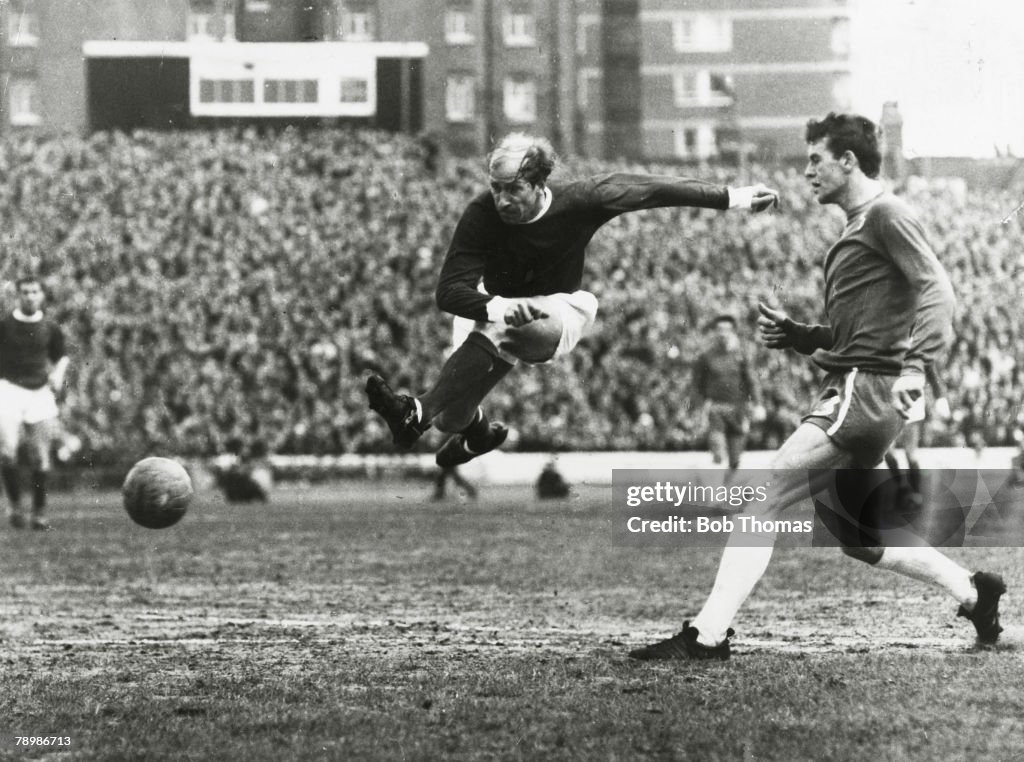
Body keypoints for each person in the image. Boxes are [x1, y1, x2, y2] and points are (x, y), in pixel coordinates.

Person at [630, 113, 1005, 661]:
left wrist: (917, 367)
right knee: (860, 539)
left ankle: (707, 635)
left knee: (760, 498)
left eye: (815, 159)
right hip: (864, 386)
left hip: (863, 392)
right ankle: (975, 593)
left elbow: (938, 293)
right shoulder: (863, 225)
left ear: (847, 161)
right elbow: (862, 331)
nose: (806, 172)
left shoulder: (886, 214)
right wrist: (802, 335)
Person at [365, 132, 779, 467]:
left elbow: (654, 189)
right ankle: (475, 435)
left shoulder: (582, 198)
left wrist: (734, 197)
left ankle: (412, 412)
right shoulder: (482, 213)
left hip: (557, 306)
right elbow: (448, 291)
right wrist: (499, 306)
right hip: (496, 309)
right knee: (449, 417)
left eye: (514, 189)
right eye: (496, 188)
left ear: (540, 183)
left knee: (452, 387)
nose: (503, 199)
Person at [0, 276, 69, 530]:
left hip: (39, 392)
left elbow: (61, 356)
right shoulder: (5, 326)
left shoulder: (50, 327)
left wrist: (58, 373)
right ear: (18, 295)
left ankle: (39, 512)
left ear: (41, 295)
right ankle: (15, 505)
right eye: (25, 292)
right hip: (8, 389)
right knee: (7, 451)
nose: (30, 296)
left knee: (41, 458)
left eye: (34, 292)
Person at [692, 314, 764, 483]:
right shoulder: (706, 357)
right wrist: (698, 409)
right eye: (719, 330)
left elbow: (752, 381)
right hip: (715, 409)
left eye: (727, 330)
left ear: (733, 332)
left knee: (734, 460)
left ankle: (724, 489)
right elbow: (697, 386)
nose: (723, 333)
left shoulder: (741, 355)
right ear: (715, 332)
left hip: (738, 411)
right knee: (718, 454)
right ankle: (714, 491)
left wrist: (758, 404)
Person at [883, 365, 950, 506]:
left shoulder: (918, 346)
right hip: (891, 400)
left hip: (912, 401)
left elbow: (931, 370)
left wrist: (940, 397)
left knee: (910, 453)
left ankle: (916, 492)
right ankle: (903, 487)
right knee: (887, 452)